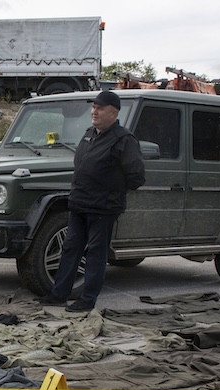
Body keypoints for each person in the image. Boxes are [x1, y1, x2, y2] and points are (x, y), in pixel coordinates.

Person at [40, 90, 145, 313]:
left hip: (103, 208)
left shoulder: (123, 139)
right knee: (70, 249)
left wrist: (111, 189)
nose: (94, 111)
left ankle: (87, 300)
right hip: (79, 203)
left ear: (113, 113)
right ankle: (58, 295)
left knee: (96, 254)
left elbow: (136, 176)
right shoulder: (89, 134)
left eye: (100, 108)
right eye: (93, 107)